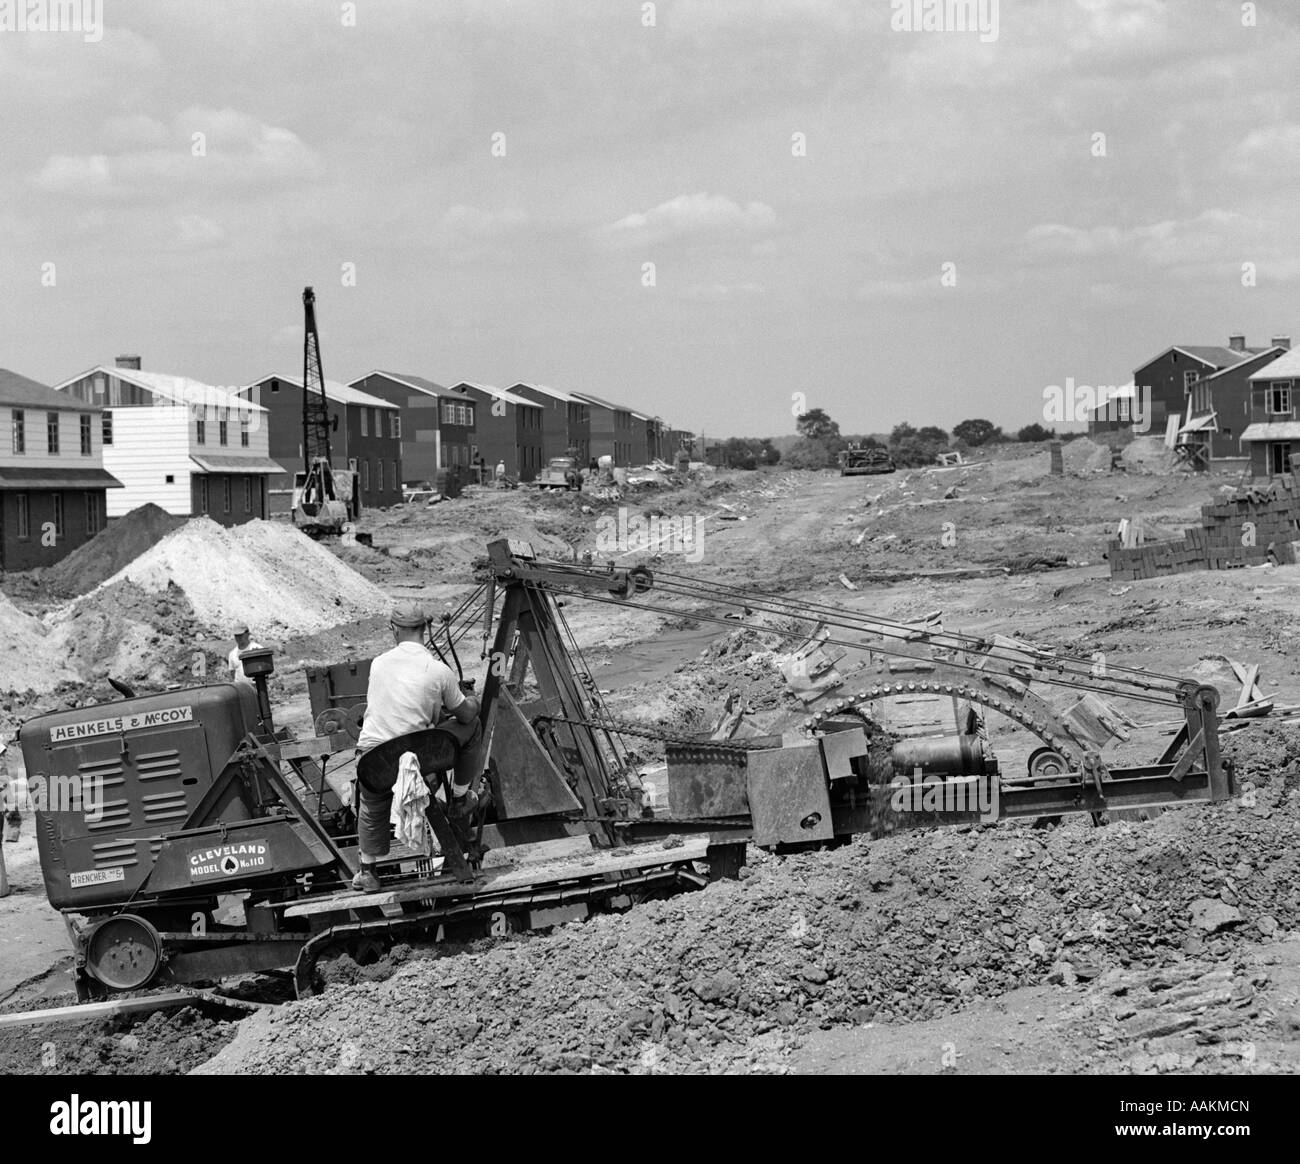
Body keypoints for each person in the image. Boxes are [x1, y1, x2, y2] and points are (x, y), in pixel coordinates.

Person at [350, 601, 482, 893]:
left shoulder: (378, 663)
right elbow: (466, 715)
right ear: (426, 628)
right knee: (473, 727)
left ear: (394, 630)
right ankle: (460, 798)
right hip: (419, 756)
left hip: (376, 757)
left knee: (372, 801)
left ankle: (368, 872)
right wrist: (472, 700)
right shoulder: (439, 670)